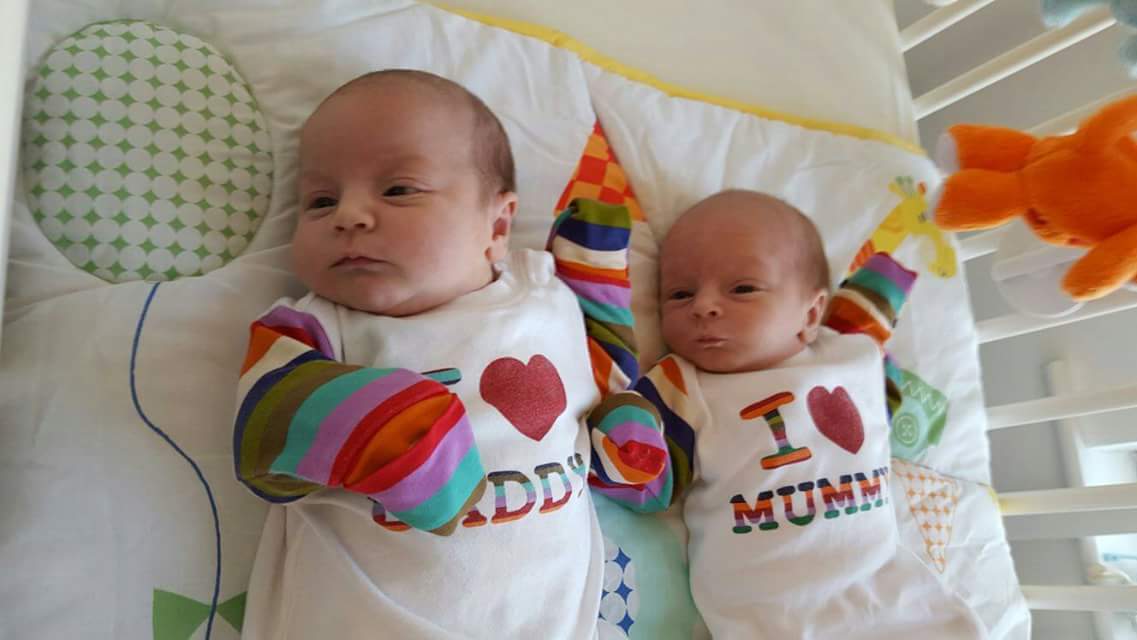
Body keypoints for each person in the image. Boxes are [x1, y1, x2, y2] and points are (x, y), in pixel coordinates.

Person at [232, 69, 664, 639]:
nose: (348, 215)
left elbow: (601, 375)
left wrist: (627, 437)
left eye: (398, 189)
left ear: (498, 225)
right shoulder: (314, 325)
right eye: (320, 201)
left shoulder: (545, 295)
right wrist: (384, 430)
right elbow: (262, 433)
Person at [590, 190, 985, 638]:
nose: (703, 306)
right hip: (771, 614)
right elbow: (651, 486)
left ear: (812, 313)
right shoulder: (683, 384)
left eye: (742, 289)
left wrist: (873, 297)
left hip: (887, 591)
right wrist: (627, 442)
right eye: (680, 294)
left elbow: (884, 408)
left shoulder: (852, 354)